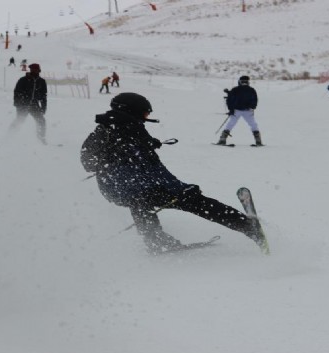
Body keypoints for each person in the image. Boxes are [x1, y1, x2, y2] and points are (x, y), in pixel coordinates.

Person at [80, 92, 266, 254]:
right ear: (133, 112)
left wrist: (115, 160)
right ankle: (247, 227)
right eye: (145, 113)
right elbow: (153, 171)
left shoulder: (109, 128)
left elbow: (91, 161)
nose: (146, 117)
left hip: (116, 189)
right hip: (135, 187)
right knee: (194, 201)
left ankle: (156, 242)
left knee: (140, 203)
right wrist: (181, 189)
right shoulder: (127, 131)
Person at [216, 75, 262, 146]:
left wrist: (252, 107)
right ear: (240, 82)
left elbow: (254, 100)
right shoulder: (238, 90)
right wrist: (231, 109)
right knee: (251, 124)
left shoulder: (249, 90)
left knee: (233, 124)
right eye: (243, 81)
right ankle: (223, 139)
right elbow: (230, 100)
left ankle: (258, 141)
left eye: (245, 81)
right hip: (238, 111)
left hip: (245, 111)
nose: (244, 83)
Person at [12, 63, 48, 144]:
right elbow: (17, 92)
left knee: (41, 121)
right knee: (19, 120)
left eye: (36, 69)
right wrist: (17, 104)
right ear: (30, 70)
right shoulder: (23, 80)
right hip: (23, 105)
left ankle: (41, 138)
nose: (34, 71)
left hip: (34, 105)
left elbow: (43, 96)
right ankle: (10, 136)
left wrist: (43, 108)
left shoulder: (41, 82)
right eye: (32, 69)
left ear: (39, 70)